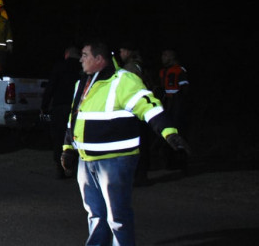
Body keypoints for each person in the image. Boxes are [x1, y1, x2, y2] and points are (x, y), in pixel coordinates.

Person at [60, 39, 191, 246]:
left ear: (99, 59)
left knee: (117, 216)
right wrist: (68, 149)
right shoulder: (81, 83)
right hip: (86, 161)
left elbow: (148, 106)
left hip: (115, 161)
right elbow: (73, 119)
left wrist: (169, 133)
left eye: (85, 55)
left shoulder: (123, 80)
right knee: (95, 214)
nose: (81, 60)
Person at [40, 45, 81, 179]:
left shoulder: (60, 66)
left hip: (60, 108)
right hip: (77, 109)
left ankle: (60, 168)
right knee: (77, 138)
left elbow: (51, 87)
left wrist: (44, 106)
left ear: (67, 54)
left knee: (58, 138)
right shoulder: (83, 68)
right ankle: (76, 168)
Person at [119, 42, 155, 186]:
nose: (120, 54)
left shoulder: (131, 68)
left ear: (128, 51)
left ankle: (139, 176)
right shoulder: (139, 65)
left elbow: (130, 90)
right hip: (141, 109)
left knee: (136, 144)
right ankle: (141, 174)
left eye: (122, 51)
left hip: (135, 110)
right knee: (141, 142)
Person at [158, 48, 190, 171]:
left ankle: (182, 163)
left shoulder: (179, 70)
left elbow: (184, 90)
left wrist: (180, 105)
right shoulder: (163, 72)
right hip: (166, 105)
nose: (163, 57)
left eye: (165, 55)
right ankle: (169, 162)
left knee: (179, 132)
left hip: (177, 106)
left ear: (172, 56)